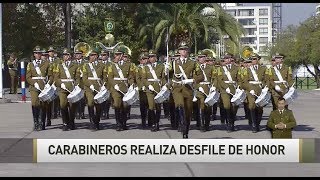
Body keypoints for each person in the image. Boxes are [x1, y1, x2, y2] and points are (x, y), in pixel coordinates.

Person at [170, 41, 196, 138]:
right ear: (179, 51)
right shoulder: (173, 62)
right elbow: (166, 75)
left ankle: (186, 130)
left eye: (185, 49)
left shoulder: (193, 63)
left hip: (188, 89)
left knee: (188, 112)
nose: (183, 51)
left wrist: (193, 80)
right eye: (181, 49)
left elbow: (200, 75)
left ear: (188, 51)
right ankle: (182, 123)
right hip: (177, 88)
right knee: (179, 105)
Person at [107, 46, 135, 131]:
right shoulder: (111, 65)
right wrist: (114, 84)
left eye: (119, 54)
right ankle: (118, 123)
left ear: (122, 55)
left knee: (125, 106)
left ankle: (124, 123)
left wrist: (131, 84)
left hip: (125, 87)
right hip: (115, 88)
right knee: (117, 105)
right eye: (116, 55)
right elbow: (110, 77)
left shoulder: (128, 65)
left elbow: (130, 76)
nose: (117, 56)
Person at [26, 46, 53, 131]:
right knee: (35, 103)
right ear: (34, 54)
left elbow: (51, 76)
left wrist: (49, 84)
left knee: (43, 104)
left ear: (41, 54)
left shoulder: (47, 63)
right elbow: (28, 77)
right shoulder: (30, 64)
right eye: (36, 53)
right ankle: (36, 122)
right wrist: (34, 83)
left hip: (43, 86)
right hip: (34, 87)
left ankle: (42, 123)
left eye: (39, 53)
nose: (37, 55)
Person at [53, 48, 80, 131]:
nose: (65, 56)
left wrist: (76, 85)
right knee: (62, 105)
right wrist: (60, 84)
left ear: (70, 56)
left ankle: (71, 121)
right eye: (64, 55)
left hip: (72, 88)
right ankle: (65, 122)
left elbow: (77, 77)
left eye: (66, 55)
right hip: (62, 88)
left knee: (72, 106)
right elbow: (56, 77)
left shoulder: (75, 65)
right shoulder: (59, 65)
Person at [82, 49, 107, 131]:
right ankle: (92, 122)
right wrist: (90, 85)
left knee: (98, 105)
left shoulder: (102, 65)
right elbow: (84, 78)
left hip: (99, 87)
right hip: (89, 87)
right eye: (91, 55)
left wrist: (103, 85)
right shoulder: (86, 65)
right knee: (90, 103)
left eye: (94, 55)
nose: (92, 57)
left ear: (97, 56)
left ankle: (97, 121)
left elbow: (104, 77)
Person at [142, 49, 166, 132]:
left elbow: (163, 78)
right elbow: (144, 79)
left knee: (158, 107)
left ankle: (157, 122)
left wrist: (164, 86)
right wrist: (148, 85)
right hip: (150, 89)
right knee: (151, 107)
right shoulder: (145, 67)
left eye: (152, 57)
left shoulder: (161, 66)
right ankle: (153, 123)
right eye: (149, 57)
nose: (151, 58)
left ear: (156, 57)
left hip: (158, 88)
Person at [136, 52, 149, 129]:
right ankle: (143, 121)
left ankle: (151, 121)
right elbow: (138, 79)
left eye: (146, 59)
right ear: (140, 60)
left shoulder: (150, 67)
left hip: (151, 88)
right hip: (142, 89)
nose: (145, 60)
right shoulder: (138, 68)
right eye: (143, 59)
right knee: (143, 106)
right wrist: (142, 86)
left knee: (150, 105)